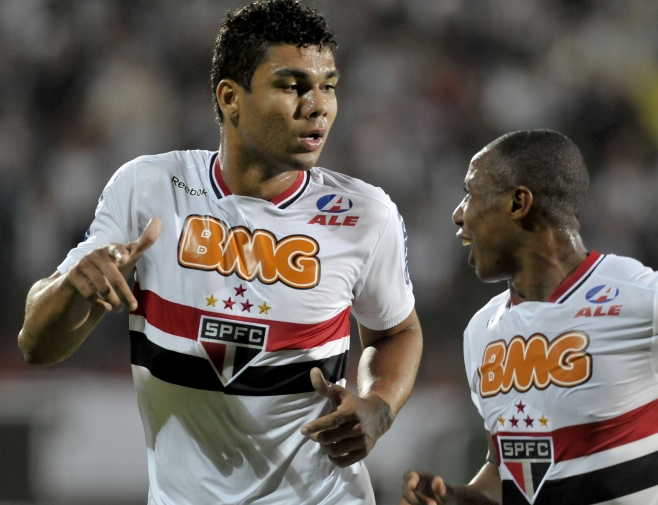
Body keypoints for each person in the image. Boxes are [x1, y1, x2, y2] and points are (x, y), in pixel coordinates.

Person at [18, 1, 423, 503]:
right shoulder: (148, 188)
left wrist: (379, 404)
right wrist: (73, 288)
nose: (318, 105)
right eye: (292, 86)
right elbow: (36, 345)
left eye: (328, 86)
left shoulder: (364, 214)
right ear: (231, 98)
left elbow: (397, 331)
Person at [401, 130, 658, 505]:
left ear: (518, 202)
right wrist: (454, 499)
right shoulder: (482, 330)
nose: (458, 214)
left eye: (471, 194)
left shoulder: (640, 298)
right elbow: (507, 474)